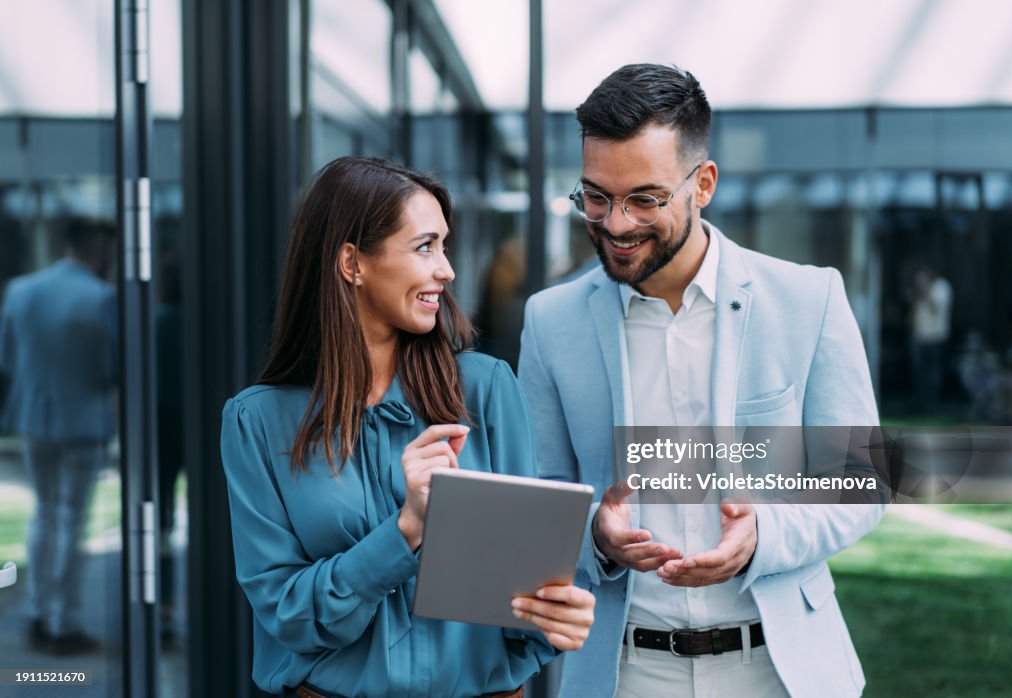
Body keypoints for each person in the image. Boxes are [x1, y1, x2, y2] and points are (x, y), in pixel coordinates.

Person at [517, 65, 885, 698]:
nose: (616, 224)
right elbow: (537, 492)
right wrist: (594, 537)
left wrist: (762, 537)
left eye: (645, 199)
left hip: (779, 669)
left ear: (703, 183)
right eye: (596, 197)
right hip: (622, 671)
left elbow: (860, 485)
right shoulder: (550, 322)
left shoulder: (809, 298)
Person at [220, 156, 595, 698]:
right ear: (353, 262)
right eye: (425, 247)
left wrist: (555, 616)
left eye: (444, 245)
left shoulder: (486, 390)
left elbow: (521, 606)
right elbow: (288, 617)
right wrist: (407, 528)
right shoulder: (257, 421)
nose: (447, 269)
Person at [0, 218, 117, 655]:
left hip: (34, 416)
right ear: (95, 247)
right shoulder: (102, 296)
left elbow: (7, 357)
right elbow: (112, 367)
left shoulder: (20, 290)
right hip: (83, 422)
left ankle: (36, 610)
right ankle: (62, 621)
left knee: (44, 513)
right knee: (70, 519)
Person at [909, 263, 953, 414]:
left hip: (935, 337)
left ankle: (932, 406)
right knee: (919, 373)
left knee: (933, 374)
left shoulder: (942, 287)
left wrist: (924, 288)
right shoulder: (921, 291)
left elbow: (935, 307)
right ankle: (920, 405)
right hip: (920, 337)